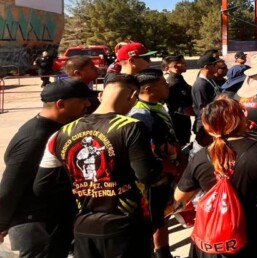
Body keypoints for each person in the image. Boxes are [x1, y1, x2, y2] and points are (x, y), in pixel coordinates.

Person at [34, 75, 163, 258]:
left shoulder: (60, 134)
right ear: (133, 96)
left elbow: (42, 186)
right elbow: (146, 174)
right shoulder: (131, 127)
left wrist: (81, 189)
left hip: (83, 225)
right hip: (126, 225)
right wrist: (160, 162)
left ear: (101, 95)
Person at [0, 80, 95, 258]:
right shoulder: (36, 137)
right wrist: (1, 223)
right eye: (82, 100)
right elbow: (11, 184)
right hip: (34, 224)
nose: (88, 104)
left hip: (51, 220)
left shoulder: (56, 128)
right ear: (61, 104)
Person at [175, 98, 257, 258]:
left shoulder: (200, 157)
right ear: (239, 119)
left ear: (208, 127)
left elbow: (180, 196)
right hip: (252, 238)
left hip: (213, 243)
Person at [128, 69, 185, 258]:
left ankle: (163, 252)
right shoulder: (140, 114)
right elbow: (144, 150)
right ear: (148, 89)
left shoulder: (157, 106)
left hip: (169, 173)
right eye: (163, 83)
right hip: (155, 177)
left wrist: (180, 159)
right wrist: (167, 167)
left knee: (163, 215)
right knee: (155, 218)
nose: (168, 85)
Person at [191, 51, 222, 146]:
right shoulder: (201, 85)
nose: (217, 66)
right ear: (206, 67)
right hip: (206, 125)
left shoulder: (210, 79)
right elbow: (203, 109)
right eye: (214, 65)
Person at [163, 55, 193, 147]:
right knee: (181, 144)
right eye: (183, 63)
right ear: (175, 66)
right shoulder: (173, 82)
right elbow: (174, 103)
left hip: (183, 118)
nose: (186, 65)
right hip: (178, 120)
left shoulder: (178, 78)